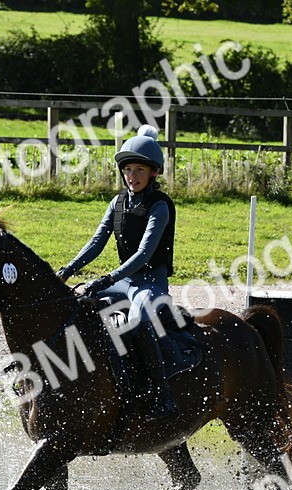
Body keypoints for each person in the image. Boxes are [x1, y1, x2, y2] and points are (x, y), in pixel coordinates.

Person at [57, 124, 178, 419]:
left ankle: (162, 394)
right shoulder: (117, 202)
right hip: (123, 282)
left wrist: (107, 279)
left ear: (154, 173)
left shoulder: (160, 206)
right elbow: (97, 242)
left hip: (150, 283)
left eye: (139, 170)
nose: (132, 177)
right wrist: (68, 271)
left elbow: (143, 254)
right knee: (77, 300)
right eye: (128, 170)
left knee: (136, 321)